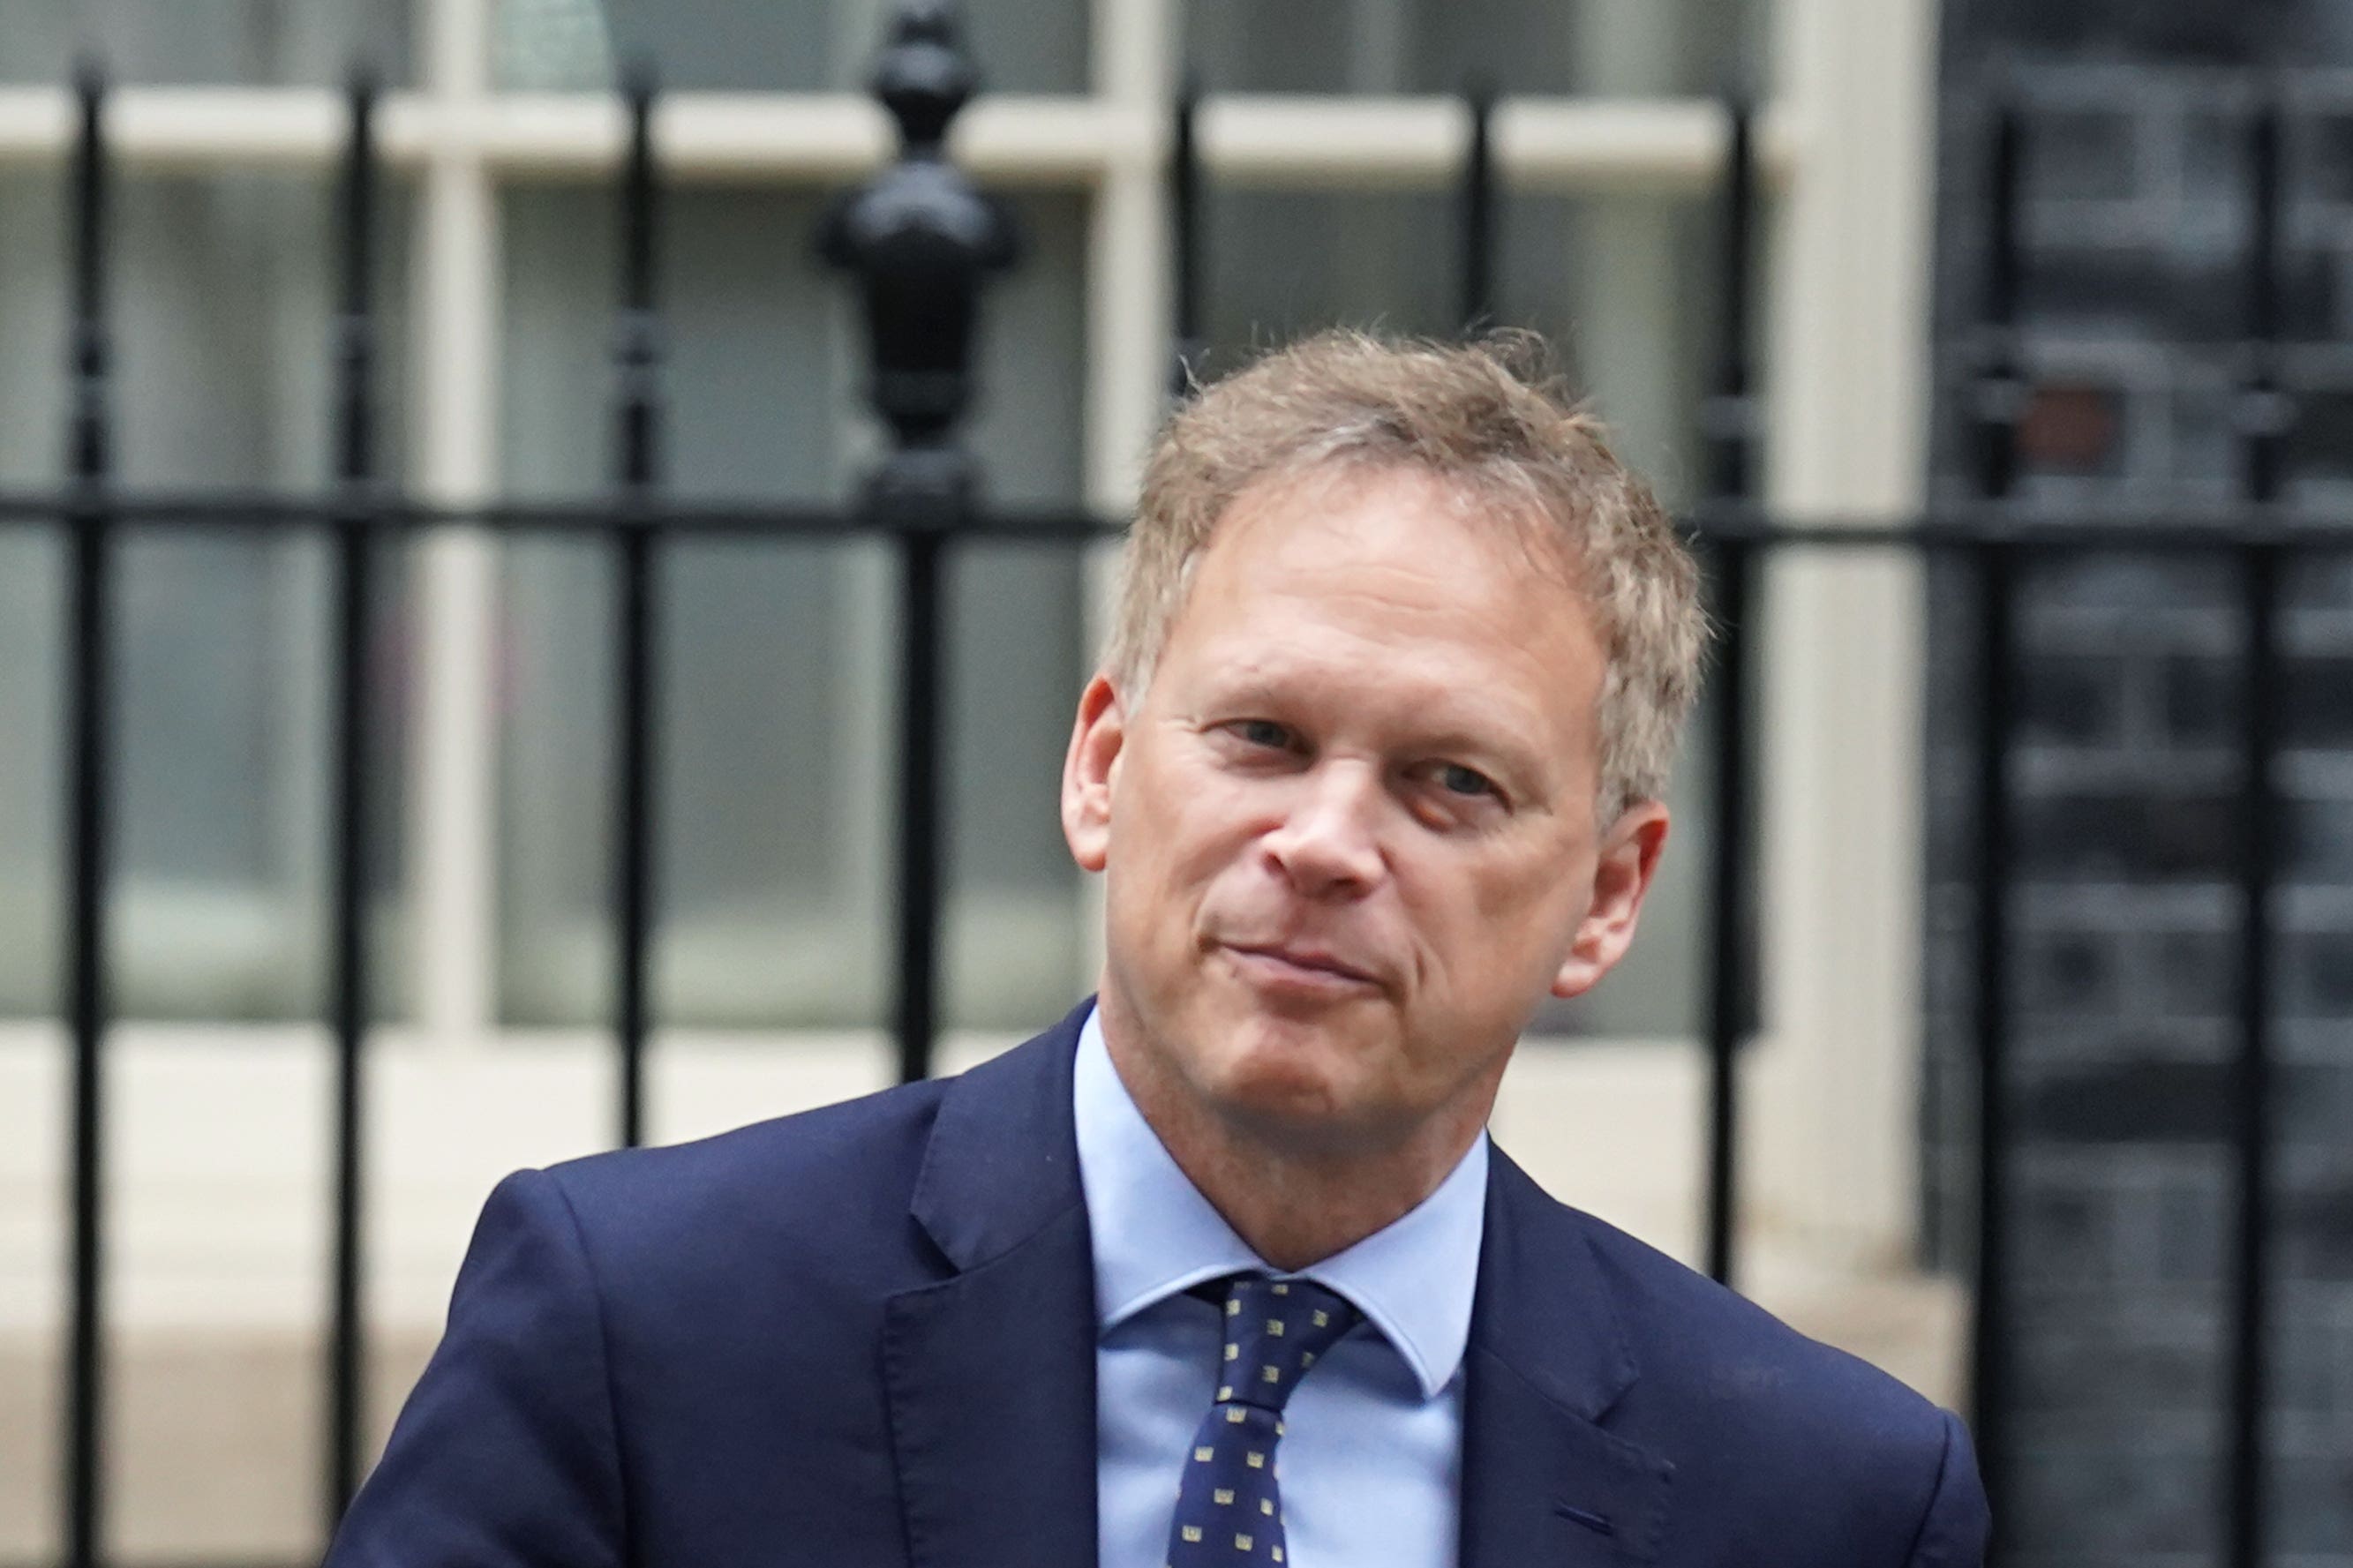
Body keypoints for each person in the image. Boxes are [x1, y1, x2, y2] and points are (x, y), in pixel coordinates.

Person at [326, 330, 1988, 1567]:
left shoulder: (1825, 1498)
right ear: (1103, 766)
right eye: (1261, 735)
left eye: (1450, 781)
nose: (1329, 842)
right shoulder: (645, 1327)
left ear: (1610, 893)